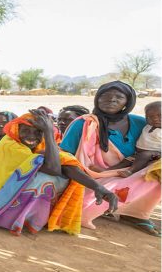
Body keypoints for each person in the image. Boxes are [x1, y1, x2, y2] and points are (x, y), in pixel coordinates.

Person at [0, 110, 118, 235]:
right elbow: (54, 168)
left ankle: (33, 217)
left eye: (37, 132)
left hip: (11, 194)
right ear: (16, 129)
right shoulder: (10, 145)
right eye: (26, 131)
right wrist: (48, 132)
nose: (31, 136)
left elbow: (66, 164)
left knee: (63, 165)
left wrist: (99, 188)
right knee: (47, 178)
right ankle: (15, 219)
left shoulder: (38, 148)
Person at [60, 82, 162, 235]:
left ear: (127, 102)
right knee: (82, 210)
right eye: (105, 96)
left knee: (156, 170)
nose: (111, 100)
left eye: (119, 97)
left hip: (130, 173)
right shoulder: (83, 124)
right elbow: (65, 157)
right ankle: (99, 207)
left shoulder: (141, 123)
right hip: (89, 178)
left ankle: (134, 213)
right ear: (97, 99)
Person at [91, 101, 161, 177]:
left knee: (144, 155)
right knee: (126, 161)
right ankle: (108, 170)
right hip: (138, 153)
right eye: (150, 117)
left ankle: (130, 171)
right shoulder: (147, 125)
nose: (155, 119)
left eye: (160, 115)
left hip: (155, 154)